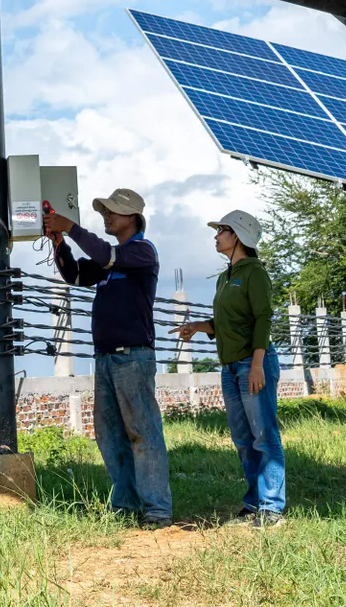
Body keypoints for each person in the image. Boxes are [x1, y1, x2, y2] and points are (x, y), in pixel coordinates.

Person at [45, 187, 173, 528]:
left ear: (132, 218)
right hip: (106, 359)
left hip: (132, 357)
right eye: (105, 210)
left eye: (112, 211)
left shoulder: (141, 252)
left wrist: (71, 227)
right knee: (111, 434)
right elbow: (73, 274)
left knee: (143, 433)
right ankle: (127, 505)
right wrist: (59, 241)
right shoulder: (110, 261)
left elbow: (105, 255)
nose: (107, 216)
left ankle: (157, 509)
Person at [176, 209, 285, 527]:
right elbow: (228, 322)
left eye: (220, 230)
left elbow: (262, 318)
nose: (215, 236)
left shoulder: (254, 272)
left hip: (254, 363)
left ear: (236, 236)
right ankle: (254, 503)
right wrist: (201, 326)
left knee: (264, 435)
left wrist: (257, 364)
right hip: (230, 367)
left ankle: (272, 507)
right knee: (242, 437)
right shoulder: (225, 277)